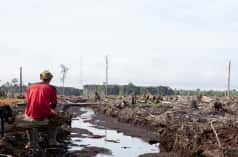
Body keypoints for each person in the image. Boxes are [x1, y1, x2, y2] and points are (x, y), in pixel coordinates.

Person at [25, 70, 60, 149]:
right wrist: (52, 110)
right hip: (43, 112)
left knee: (28, 121)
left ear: (41, 78)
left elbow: (28, 101)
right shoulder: (51, 88)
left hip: (30, 112)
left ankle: (31, 142)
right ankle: (52, 140)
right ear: (50, 79)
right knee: (56, 119)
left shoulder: (30, 87)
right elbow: (54, 104)